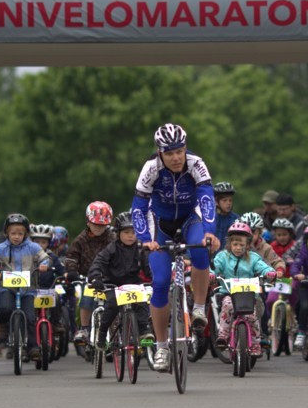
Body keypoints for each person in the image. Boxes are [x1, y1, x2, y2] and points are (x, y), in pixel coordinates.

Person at [131, 123, 219, 372]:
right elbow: (138, 207)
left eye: (179, 151)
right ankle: (161, 347)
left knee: (201, 249)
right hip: (160, 226)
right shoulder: (150, 169)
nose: (176, 157)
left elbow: (206, 197)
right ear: (160, 153)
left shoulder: (196, 163)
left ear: (185, 148)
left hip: (190, 219)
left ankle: (199, 307)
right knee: (159, 283)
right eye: (169, 153)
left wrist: (210, 231)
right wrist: (145, 238)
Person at [0, 214, 50, 361]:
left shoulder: (33, 247)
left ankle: (32, 347)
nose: (16, 237)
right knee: (5, 308)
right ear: (7, 233)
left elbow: (44, 257)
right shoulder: (2, 248)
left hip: (28, 289)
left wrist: (44, 264)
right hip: (8, 287)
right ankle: (1, 326)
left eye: (20, 233)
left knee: (30, 317)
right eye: (13, 233)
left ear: (25, 234)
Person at [87, 211, 154, 348]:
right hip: (113, 284)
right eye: (126, 232)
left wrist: (156, 277)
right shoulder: (110, 249)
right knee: (112, 306)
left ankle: (144, 332)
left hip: (133, 284)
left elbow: (148, 266)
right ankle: (102, 333)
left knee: (142, 302)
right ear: (118, 233)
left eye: (133, 232)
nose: (130, 236)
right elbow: (98, 263)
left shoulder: (140, 249)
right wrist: (95, 277)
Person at [212, 222, 276, 357]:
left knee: (252, 316)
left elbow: (263, 267)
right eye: (235, 244)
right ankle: (223, 334)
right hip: (229, 292)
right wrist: (211, 273)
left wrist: (269, 272)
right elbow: (214, 266)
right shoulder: (223, 257)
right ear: (229, 244)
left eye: (242, 245)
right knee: (228, 305)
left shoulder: (253, 258)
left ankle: (255, 344)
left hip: (248, 294)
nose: (238, 248)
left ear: (248, 245)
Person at [66, 202, 116, 344]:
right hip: (87, 278)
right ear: (88, 222)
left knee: (113, 303)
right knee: (86, 299)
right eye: (96, 225)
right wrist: (71, 270)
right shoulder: (80, 240)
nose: (99, 228)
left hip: (108, 277)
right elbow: (71, 257)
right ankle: (84, 328)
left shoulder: (112, 238)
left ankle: (114, 330)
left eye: (102, 225)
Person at [213, 182, 239, 250]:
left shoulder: (236, 219)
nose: (228, 203)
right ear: (216, 202)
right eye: (225, 200)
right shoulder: (211, 219)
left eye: (230, 200)